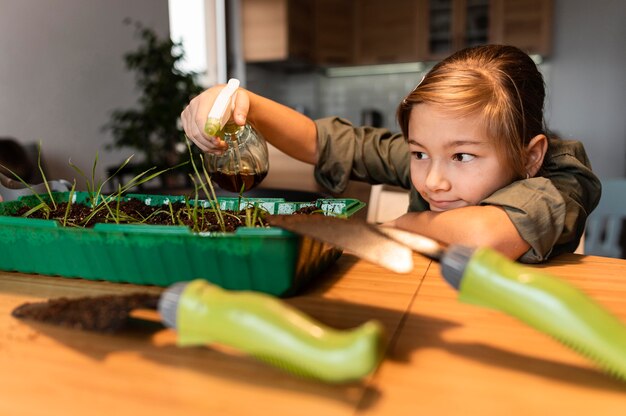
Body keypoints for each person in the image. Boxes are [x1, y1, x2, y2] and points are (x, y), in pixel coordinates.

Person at [181, 45, 601, 263]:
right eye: (419, 153)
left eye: (463, 157)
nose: (433, 180)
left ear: (529, 157)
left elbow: (483, 236)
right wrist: (240, 101)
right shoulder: (435, 166)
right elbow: (322, 142)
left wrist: (400, 224)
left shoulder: (561, 181)